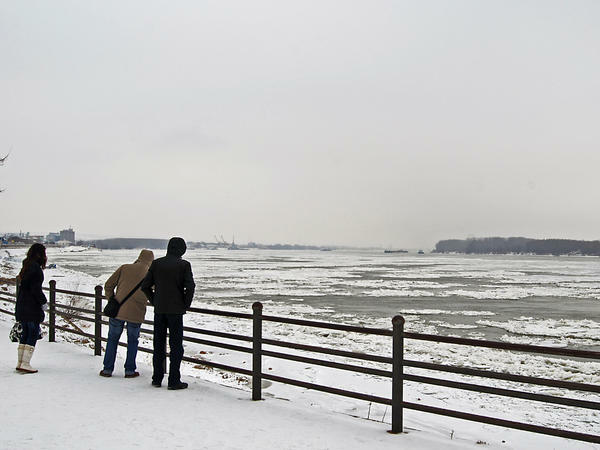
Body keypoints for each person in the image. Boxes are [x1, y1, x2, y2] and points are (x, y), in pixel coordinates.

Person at [141, 237, 195, 390]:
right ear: (182, 249)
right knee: (176, 346)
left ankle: (157, 378)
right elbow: (190, 287)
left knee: (158, 344)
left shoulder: (157, 263)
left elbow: (145, 286)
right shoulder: (184, 265)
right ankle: (173, 380)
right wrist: (185, 304)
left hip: (160, 310)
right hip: (176, 311)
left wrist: (155, 301)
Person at [100, 249, 154, 378]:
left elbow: (108, 285)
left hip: (118, 310)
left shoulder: (125, 268)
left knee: (112, 339)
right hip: (136, 313)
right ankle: (129, 370)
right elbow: (154, 292)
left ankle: (107, 369)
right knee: (133, 341)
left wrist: (112, 300)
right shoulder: (151, 274)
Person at [15, 243, 48, 374]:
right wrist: (43, 302)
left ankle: (20, 362)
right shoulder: (36, 269)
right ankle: (25, 363)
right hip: (31, 306)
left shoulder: (27, 266)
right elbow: (36, 289)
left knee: (25, 333)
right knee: (32, 333)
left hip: (23, 305)